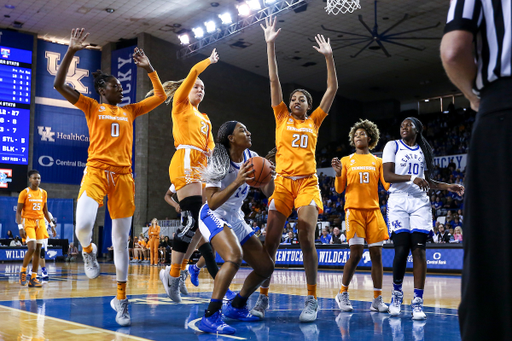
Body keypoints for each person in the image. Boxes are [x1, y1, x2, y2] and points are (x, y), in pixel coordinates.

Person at [53, 28, 166, 326]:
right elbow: (57, 84)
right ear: (103, 90)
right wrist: (72, 51)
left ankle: (121, 298)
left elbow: (161, 95)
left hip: (124, 178)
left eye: (120, 86)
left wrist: (150, 68)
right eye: (116, 86)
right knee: (83, 226)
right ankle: (88, 252)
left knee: (119, 241)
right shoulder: (91, 106)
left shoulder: (130, 110)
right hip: (96, 172)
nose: (121, 89)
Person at [252, 16, 338, 322]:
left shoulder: (314, 121)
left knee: (306, 236)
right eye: (293, 98)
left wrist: (329, 58)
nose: (295, 100)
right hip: (283, 183)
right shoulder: (280, 116)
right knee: (270, 242)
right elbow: (274, 80)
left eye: (301, 98)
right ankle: (262, 297)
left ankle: (312, 299)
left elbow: (332, 87)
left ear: (308, 104)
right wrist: (270, 44)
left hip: (307, 184)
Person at [197, 121, 275, 334]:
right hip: (212, 215)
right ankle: (211, 316)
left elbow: (269, 192)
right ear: (231, 138)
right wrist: (238, 181)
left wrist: (269, 175)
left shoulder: (252, 157)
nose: (248, 132)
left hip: (235, 217)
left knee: (265, 267)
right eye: (242, 130)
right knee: (234, 257)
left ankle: (237, 306)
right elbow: (211, 202)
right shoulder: (218, 160)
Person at [156, 49, 221, 303]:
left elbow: (213, 150)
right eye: (197, 86)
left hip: (202, 167)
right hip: (184, 160)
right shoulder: (180, 104)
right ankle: (172, 275)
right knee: (192, 220)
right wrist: (208, 62)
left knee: (200, 226)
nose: (200, 88)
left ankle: (180, 271)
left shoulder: (206, 119)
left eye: (204, 88)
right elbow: (194, 72)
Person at [382, 117, 464, 320]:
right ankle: (396, 295)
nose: (403, 127)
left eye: (408, 125)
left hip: (419, 202)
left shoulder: (423, 151)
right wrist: (412, 178)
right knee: (401, 249)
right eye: (401, 125)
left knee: (419, 250)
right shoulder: (392, 146)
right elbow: (387, 175)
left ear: (417, 129)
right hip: (399, 201)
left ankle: (418, 301)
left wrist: (447, 186)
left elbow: (427, 181)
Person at [331, 119, 390, 313]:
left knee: (377, 255)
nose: (358, 136)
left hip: (374, 211)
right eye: (356, 135)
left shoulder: (378, 161)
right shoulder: (346, 160)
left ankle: (377, 299)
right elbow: (339, 189)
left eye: (362, 134)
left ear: (370, 137)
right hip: (354, 210)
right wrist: (338, 173)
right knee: (356, 254)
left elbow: (388, 186)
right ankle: (342, 292)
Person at [16, 170, 55, 288]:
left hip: (41, 222)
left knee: (38, 249)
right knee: (32, 247)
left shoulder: (43, 193)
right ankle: (23, 271)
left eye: (38, 178)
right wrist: (20, 227)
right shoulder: (24, 192)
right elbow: (18, 212)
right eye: (34, 178)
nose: (37, 180)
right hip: (28, 222)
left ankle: (33, 277)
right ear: (30, 179)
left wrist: (52, 225)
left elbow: (45, 211)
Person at [38, 212, 57, 279]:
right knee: (37, 252)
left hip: (44, 233)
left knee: (41, 253)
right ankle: (38, 270)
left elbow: (54, 223)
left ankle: (36, 270)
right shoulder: (35, 211)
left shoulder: (48, 213)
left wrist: (53, 227)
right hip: (36, 232)